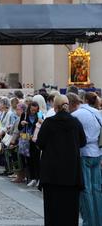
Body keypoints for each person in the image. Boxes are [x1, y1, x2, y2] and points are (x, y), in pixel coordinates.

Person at [37, 95, 86, 226]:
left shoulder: (48, 122)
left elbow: (40, 142)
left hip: (52, 173)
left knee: (52, 209)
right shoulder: (75, 122)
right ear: (67, 106)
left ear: (55, 107)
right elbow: (83, 142)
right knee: (70, 209)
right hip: (71, 173)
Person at [71, 92, 102, 226]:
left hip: (84, 153)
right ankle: (98, 221)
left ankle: (89, 222)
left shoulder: (76, 115)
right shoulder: (97, 112)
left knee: (86, 190)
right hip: (97, 152)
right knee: (97, 189)